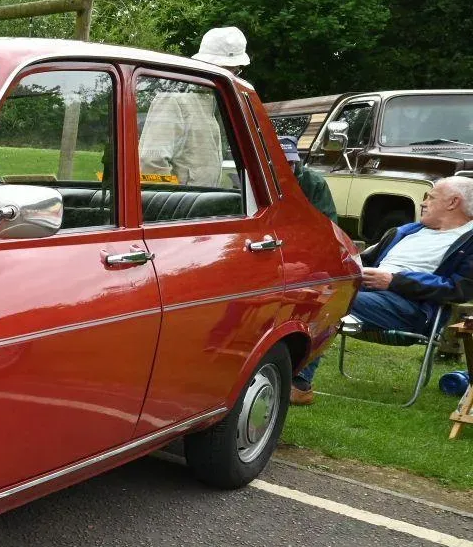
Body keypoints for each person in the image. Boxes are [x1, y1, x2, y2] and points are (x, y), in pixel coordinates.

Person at [291, 175, 473, 404]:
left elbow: (459, 290)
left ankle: (298, 383)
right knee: (303, 289)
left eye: (431, 197)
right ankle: (274, 370)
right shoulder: (406, 231)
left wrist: (394, 281)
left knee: (331, 300)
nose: (423, 202)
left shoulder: (468, 241)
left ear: (453, 203)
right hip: (366, 291)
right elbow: (360, 260)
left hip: (411, 308)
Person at [138, 27, 250, 188]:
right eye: (232, 70)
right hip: (181, 209)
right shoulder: (173, 100)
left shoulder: (213, 102)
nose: (233, 76)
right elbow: (151, 162)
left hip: (202, 208)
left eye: (236, 71)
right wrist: (173, 204)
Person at [278, 135, 337, 221]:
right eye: (281, 163)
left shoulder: (315, 182)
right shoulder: (261, 180)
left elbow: (328, 220)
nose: (286, 168)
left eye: (290, 163)